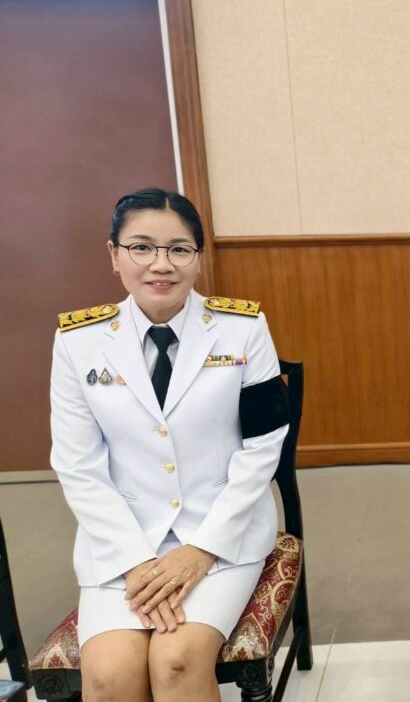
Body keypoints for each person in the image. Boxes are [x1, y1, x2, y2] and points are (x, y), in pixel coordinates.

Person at [50, 188, 289, 701]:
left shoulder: (243, 329)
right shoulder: (77, 342)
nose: (161, 264)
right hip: (121, 541)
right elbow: (77, 465)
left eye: (179, 249)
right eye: (141, 247)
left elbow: (263, 446)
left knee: (177, 660)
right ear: (114, 254)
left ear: (198, 257)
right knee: (109, 676)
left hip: (221, 534)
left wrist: (202, 550)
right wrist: (135, 562)